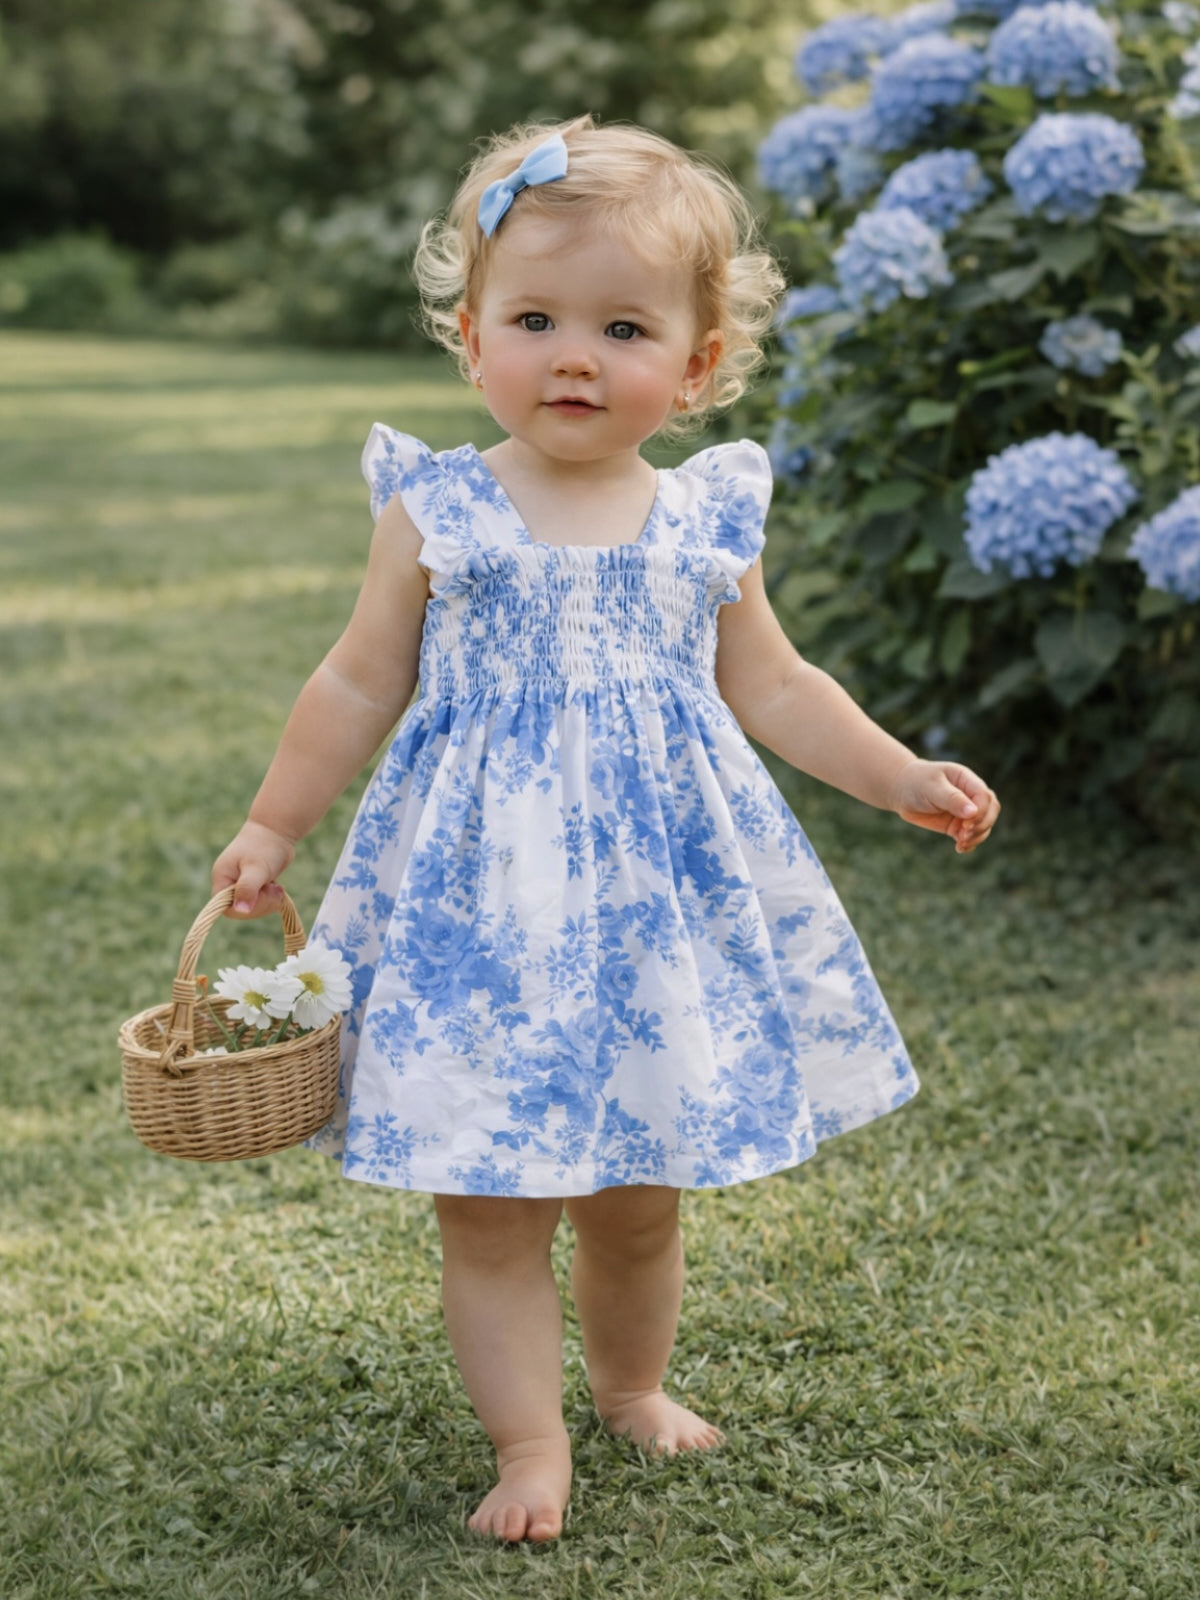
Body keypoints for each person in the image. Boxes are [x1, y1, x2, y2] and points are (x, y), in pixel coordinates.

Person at [210, 113, 1000, 1546]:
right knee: (491, 1197)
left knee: (640, 1188)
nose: (574, 354)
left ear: (697, 365)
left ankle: (632, 1385)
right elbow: (357, 679)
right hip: (478, 915)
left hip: (650, 917)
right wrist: (274, 824)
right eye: (535, 318)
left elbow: (774, 683)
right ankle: (528, 1444)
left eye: (623, 326)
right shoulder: (439, 509)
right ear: (470, 338)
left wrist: (899, 775)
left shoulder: (702, 520)